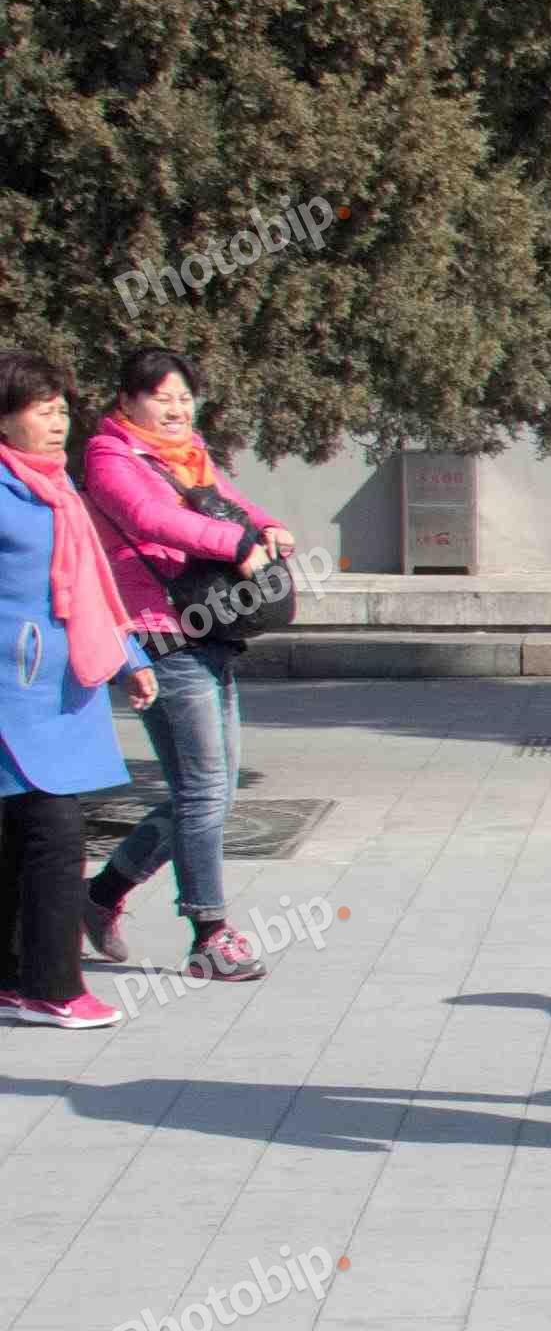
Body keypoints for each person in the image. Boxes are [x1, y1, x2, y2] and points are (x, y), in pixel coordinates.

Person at [77, 346, 296, 980]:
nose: (176, 409)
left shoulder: (190, 454)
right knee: (203, 792)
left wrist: (268, 527)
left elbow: (232, 503)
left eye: (184, 398)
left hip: (208, 628)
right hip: (160, 636)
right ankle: (209, 934)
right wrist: (239, 543)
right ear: (127, 401)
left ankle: (98, 897)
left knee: (209, 793)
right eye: (161, 398)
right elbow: (151, 518)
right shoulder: (111, 458)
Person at [0, 354, 158, 1029]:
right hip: (12, 696)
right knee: (56, 835)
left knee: (19, 837)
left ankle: (12, 978)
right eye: (42, 410)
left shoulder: (58, 486)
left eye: (62, 409)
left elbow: (92, 586)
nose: (58, 421)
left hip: (58, 695)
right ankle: (55, 987)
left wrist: (130, 658)